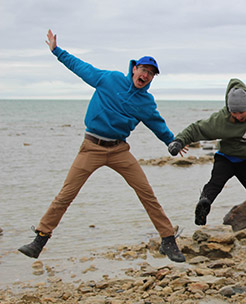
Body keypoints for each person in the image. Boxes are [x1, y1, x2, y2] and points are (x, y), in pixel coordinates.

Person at [19, 29, 185, 262]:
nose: (146, 76)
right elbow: (81, 67)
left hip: (119, 151)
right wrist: (57, 51)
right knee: (66, 194)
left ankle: (168, 240)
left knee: (146, 193)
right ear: (134, 68)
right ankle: (40, 239)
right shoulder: (109, 79)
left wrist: (171, 141)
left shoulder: (146, 102)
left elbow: (157, 124)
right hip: (91, 147)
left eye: (151, 74)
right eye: (144, 70)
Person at [168, 79, 246, 232]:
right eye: (234, 113)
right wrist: (179, 141)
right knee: (215, 183)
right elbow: (197, 129)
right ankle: (204, 205)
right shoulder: (221, 119)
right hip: (226, 157)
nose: (238, 116)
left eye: (241, 112)